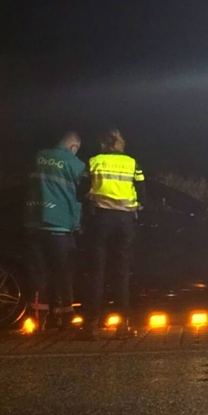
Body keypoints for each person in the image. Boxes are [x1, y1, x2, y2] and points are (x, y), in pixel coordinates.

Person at [80, 128, 145, 340]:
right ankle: (123, 327)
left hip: (100, 220)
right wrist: (137, 206)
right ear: (121, 143)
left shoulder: (94, 161)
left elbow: (81, 191)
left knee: (96, 273)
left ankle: (91, 326)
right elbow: (143, 192)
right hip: (125, 222)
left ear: (103, 143)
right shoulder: (132, 163)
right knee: (121, 273)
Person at [22, 132, 85, 330]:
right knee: (63, 272)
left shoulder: (38, 156)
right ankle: (65, 318)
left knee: (39, 273)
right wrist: (77, 225)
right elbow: (79, 197)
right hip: (59, 225)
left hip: (33, 222)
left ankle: (38, 319)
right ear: (73, 147)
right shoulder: (75, 163)